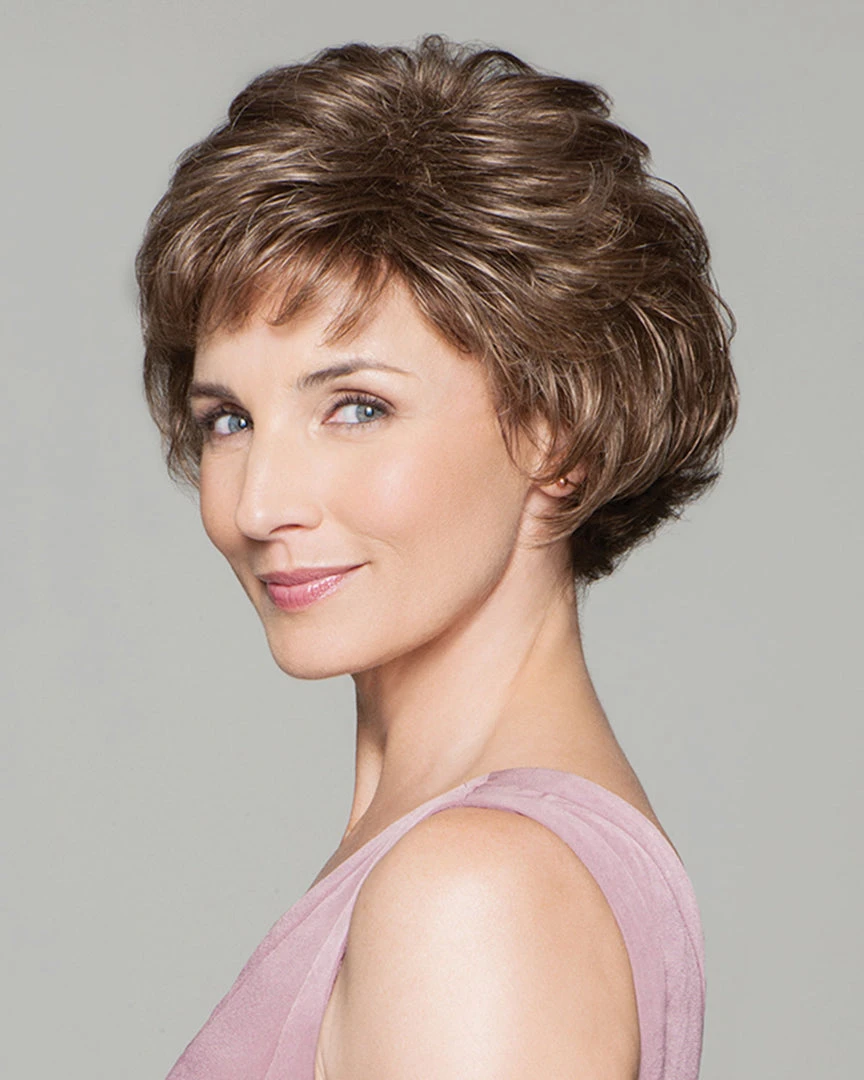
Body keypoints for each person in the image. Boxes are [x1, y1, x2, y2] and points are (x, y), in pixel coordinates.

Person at [136, 33, 737, 1080]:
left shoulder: (476, 895)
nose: (259, 504)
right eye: (229, 419)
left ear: (558, 432)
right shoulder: (468, 858)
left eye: (357, 407)